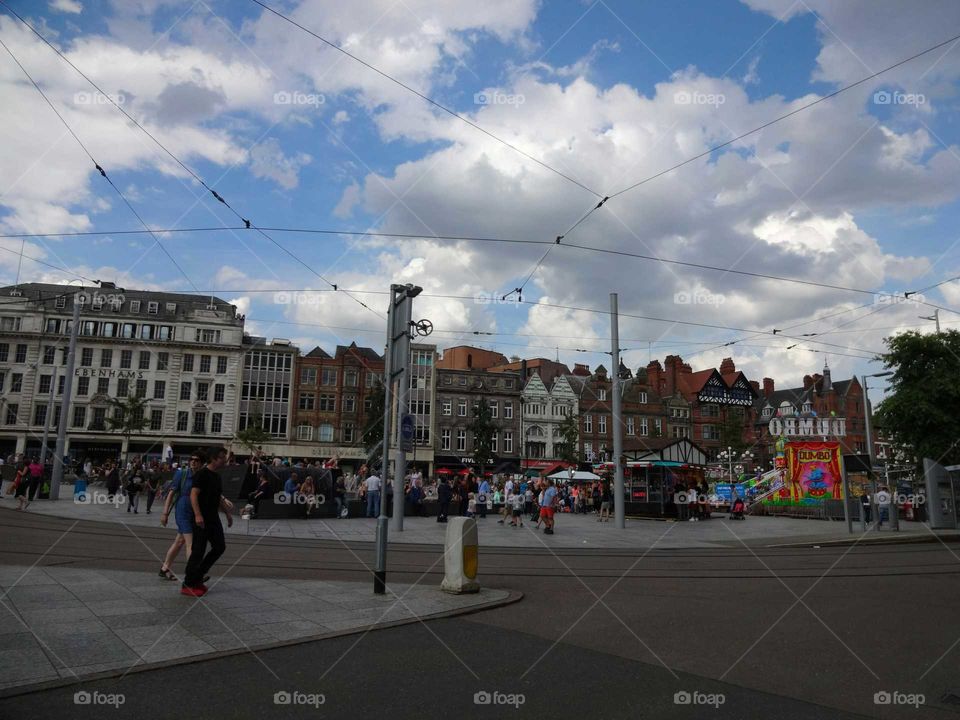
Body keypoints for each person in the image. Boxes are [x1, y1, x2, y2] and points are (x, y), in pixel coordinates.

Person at [182, 447, 233, 597]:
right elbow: (193, 495)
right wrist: (198, 515)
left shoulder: (216, 477)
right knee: (198, 550)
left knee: (220, 546)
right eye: (222, 457)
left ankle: (198, 576)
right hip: (201, 519)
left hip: (213, 518)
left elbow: (218, 498)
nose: (225, 459)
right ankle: (188, 583)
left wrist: (228, 514)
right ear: (213, 458)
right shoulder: (202, 474)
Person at [158, 455, 198, 581]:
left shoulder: (201, 476)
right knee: (190, 543)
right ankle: (193, 575)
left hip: (192, 511)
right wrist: (165, 513)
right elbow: (171, 493)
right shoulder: (182, 474)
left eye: (197, 460)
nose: (193, 462)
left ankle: (165, 569)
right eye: (192, 460)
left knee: (180, 541)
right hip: (182, 509)